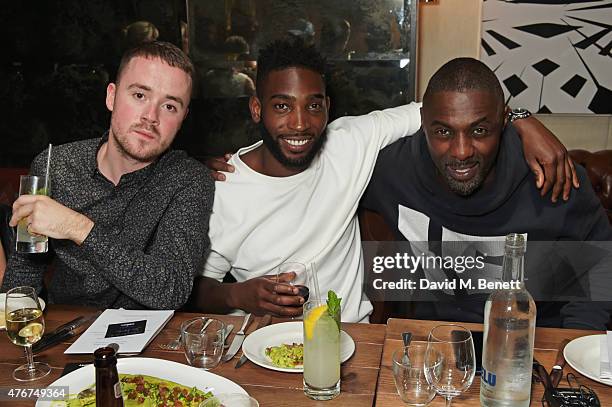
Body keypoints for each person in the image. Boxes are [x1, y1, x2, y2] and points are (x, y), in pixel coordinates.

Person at [195, 39, 577, 322]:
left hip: (352, 341)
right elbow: (197, 290)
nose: (299, 123)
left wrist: (522, 119)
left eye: (313, 105)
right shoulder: (223, 187)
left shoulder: (350, 141)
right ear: (257, 109)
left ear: (327, 107)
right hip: (260, 347)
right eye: (282, 106)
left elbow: (442, 109)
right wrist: (239, 295)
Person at [361, 57, 612, 329]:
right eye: (443, 131)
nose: (461, 151)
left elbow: (600, 262)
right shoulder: (393, 170)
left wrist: (575, 341)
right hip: (436, 342)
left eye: (479, 130)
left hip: (531, 345)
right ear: (422, 121)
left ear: (504, 121)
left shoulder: (552, 175)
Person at [1, 41, 214, 309]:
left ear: (183, 117)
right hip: (64, 331)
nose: (151, 116)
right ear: (111, 96)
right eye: (139, 95)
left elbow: (169, 290)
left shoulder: (188, 180)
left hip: (147, 339)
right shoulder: (53, 166)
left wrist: (77, 227)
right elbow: (23, 275)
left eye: (170, 106)